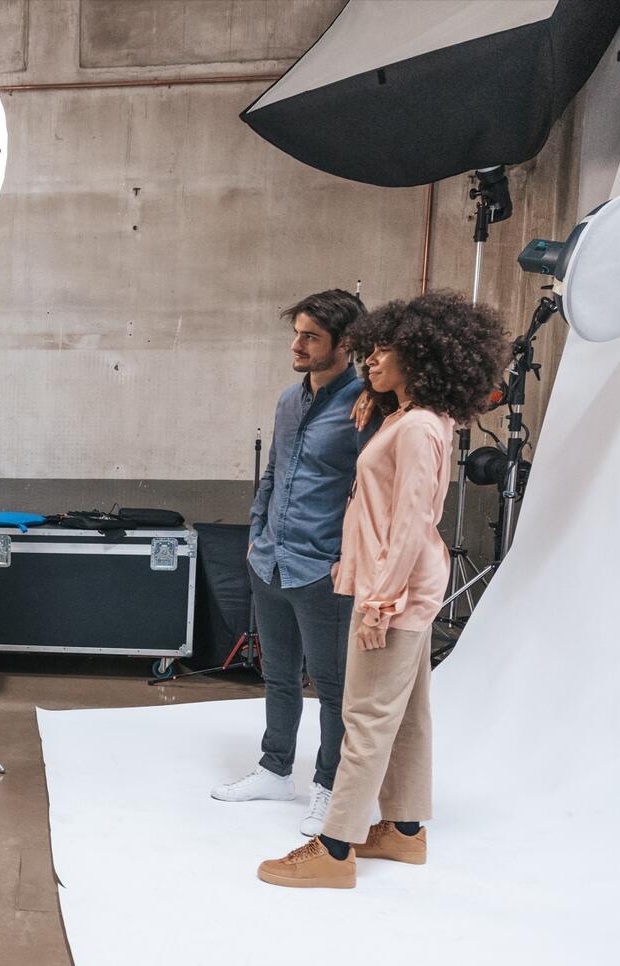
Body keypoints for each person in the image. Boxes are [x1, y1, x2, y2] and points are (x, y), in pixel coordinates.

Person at [258, 290, 506, 889]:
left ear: (421, 356)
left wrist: (380, 603)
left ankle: (335, 848)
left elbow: (412, 520)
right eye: (369, 351)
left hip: (393, 590)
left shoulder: (418, 427)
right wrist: (376, 400)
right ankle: (404, 831)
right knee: (410, 714)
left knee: (365, 716)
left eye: (384, 351)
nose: (370, 360)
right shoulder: (412, 416)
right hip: (403, 587)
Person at [214, 290, 373, 837]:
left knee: (333, 688)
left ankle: (330, 790)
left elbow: (370, 492)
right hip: (271, 562)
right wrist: (256, 535)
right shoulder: (287, 401)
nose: (296, 345)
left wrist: (345, 558)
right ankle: (275, 769)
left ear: (345, 345)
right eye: (297, 333)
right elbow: (274, 473)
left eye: (310, 337)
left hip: (323, 570)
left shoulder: (366, 408)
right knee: (278, 675)